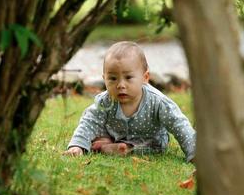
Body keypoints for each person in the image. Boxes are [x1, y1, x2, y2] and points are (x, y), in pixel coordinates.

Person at [64, 41, 196, 162]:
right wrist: (77, 145)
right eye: (113, 78)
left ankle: (111, 147)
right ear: (104, 79)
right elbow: (89, 122)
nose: (121, 85)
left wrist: (194, 152)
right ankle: (108, 144)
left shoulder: (158, 102)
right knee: (95, 127)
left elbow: (179, 125)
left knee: (152, 146)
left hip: (149, 142)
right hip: (114, 136)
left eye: (128, 77)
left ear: (145, 77)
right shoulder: (106, 101)